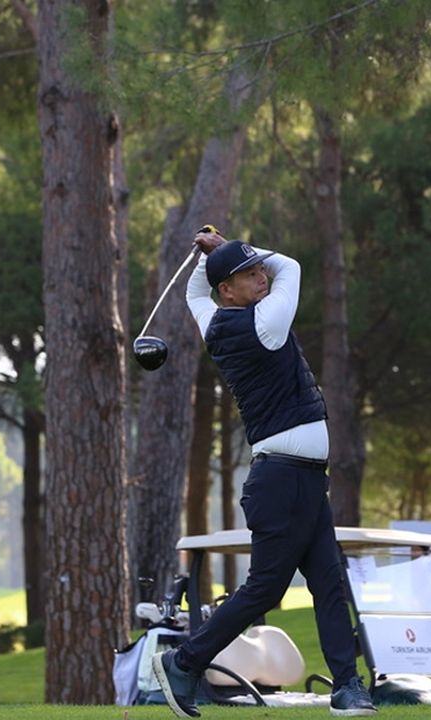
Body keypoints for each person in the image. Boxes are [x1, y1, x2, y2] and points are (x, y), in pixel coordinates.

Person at [152, 229, 376, 718]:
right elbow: (290, 265)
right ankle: (183, 662)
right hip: (281, 482)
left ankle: (347, 687)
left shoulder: (213, 318)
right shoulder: (265, 324)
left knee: (329, 583)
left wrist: (214, 256)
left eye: (258, 270)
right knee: (266, 589)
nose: (261, 277)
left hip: (304, 481)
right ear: (227, 291)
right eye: (248, 274)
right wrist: (226, 246)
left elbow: (194, 292)